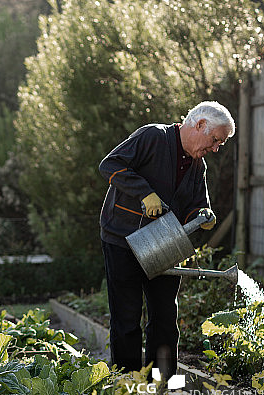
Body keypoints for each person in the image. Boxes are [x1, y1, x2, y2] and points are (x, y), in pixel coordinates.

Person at [98, 101, 235, 375]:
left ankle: (163, 385)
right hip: (122, 238)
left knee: (165, 318)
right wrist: (144, 193)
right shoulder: (153, 137)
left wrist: (203, 215)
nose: (216, 148)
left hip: (165, 243)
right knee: (126, 317)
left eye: (221, 144)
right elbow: (110, 165)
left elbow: (196, 204)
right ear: (199, 125)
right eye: (216, 140)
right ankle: (128, 385)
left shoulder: (199, 167)